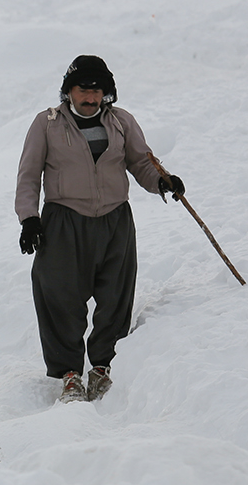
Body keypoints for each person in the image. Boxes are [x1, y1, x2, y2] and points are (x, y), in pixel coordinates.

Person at [14, 55, 183, 402]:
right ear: (69, 91)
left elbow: (141, 162)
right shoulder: (46, 124)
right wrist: (29, 218)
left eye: (97, 91)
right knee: (58, 293)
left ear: (107, 93)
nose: (90, 98)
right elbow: (29, 175)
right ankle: (70, 374)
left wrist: (163, 181)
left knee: (115, 294)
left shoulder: (121, 122)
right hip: (63, 220)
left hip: (114, 220)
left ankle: (103, 366)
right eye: (83, 90)